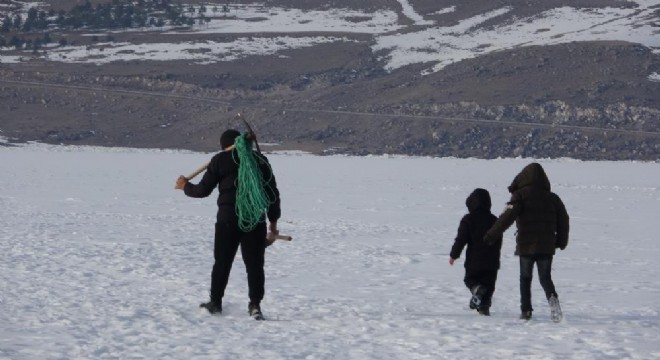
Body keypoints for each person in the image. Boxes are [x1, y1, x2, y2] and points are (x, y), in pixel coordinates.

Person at [175, 129, 281, 320]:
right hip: (255, 220)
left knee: (222, 262)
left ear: (224, 145)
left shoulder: (220, 160)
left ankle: (215, 303)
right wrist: (272, 225)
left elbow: (202, 190)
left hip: (227, 220)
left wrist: (185, 187)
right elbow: (272, 195)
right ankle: (255, 306)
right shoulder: (260, 161)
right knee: (255, 265)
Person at [484, 162, 569, 321]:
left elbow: (506, 218)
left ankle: (526, 311)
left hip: (526, 245)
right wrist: (560, 242)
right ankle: (553, 302)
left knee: (525, 278)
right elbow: (564, 220)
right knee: (545, 278)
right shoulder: (553, 198)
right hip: (546, 245)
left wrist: (490, 235)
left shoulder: (520, 196)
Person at [449, 188, 502, 316]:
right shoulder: (495, 220)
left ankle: (475, 288)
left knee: (470, 279)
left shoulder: (468, 219)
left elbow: (461, 240)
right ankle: (484, 310)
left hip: (474, 260)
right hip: (492, 261)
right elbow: (499, 241)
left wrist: (454, 255)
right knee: (488, 287)